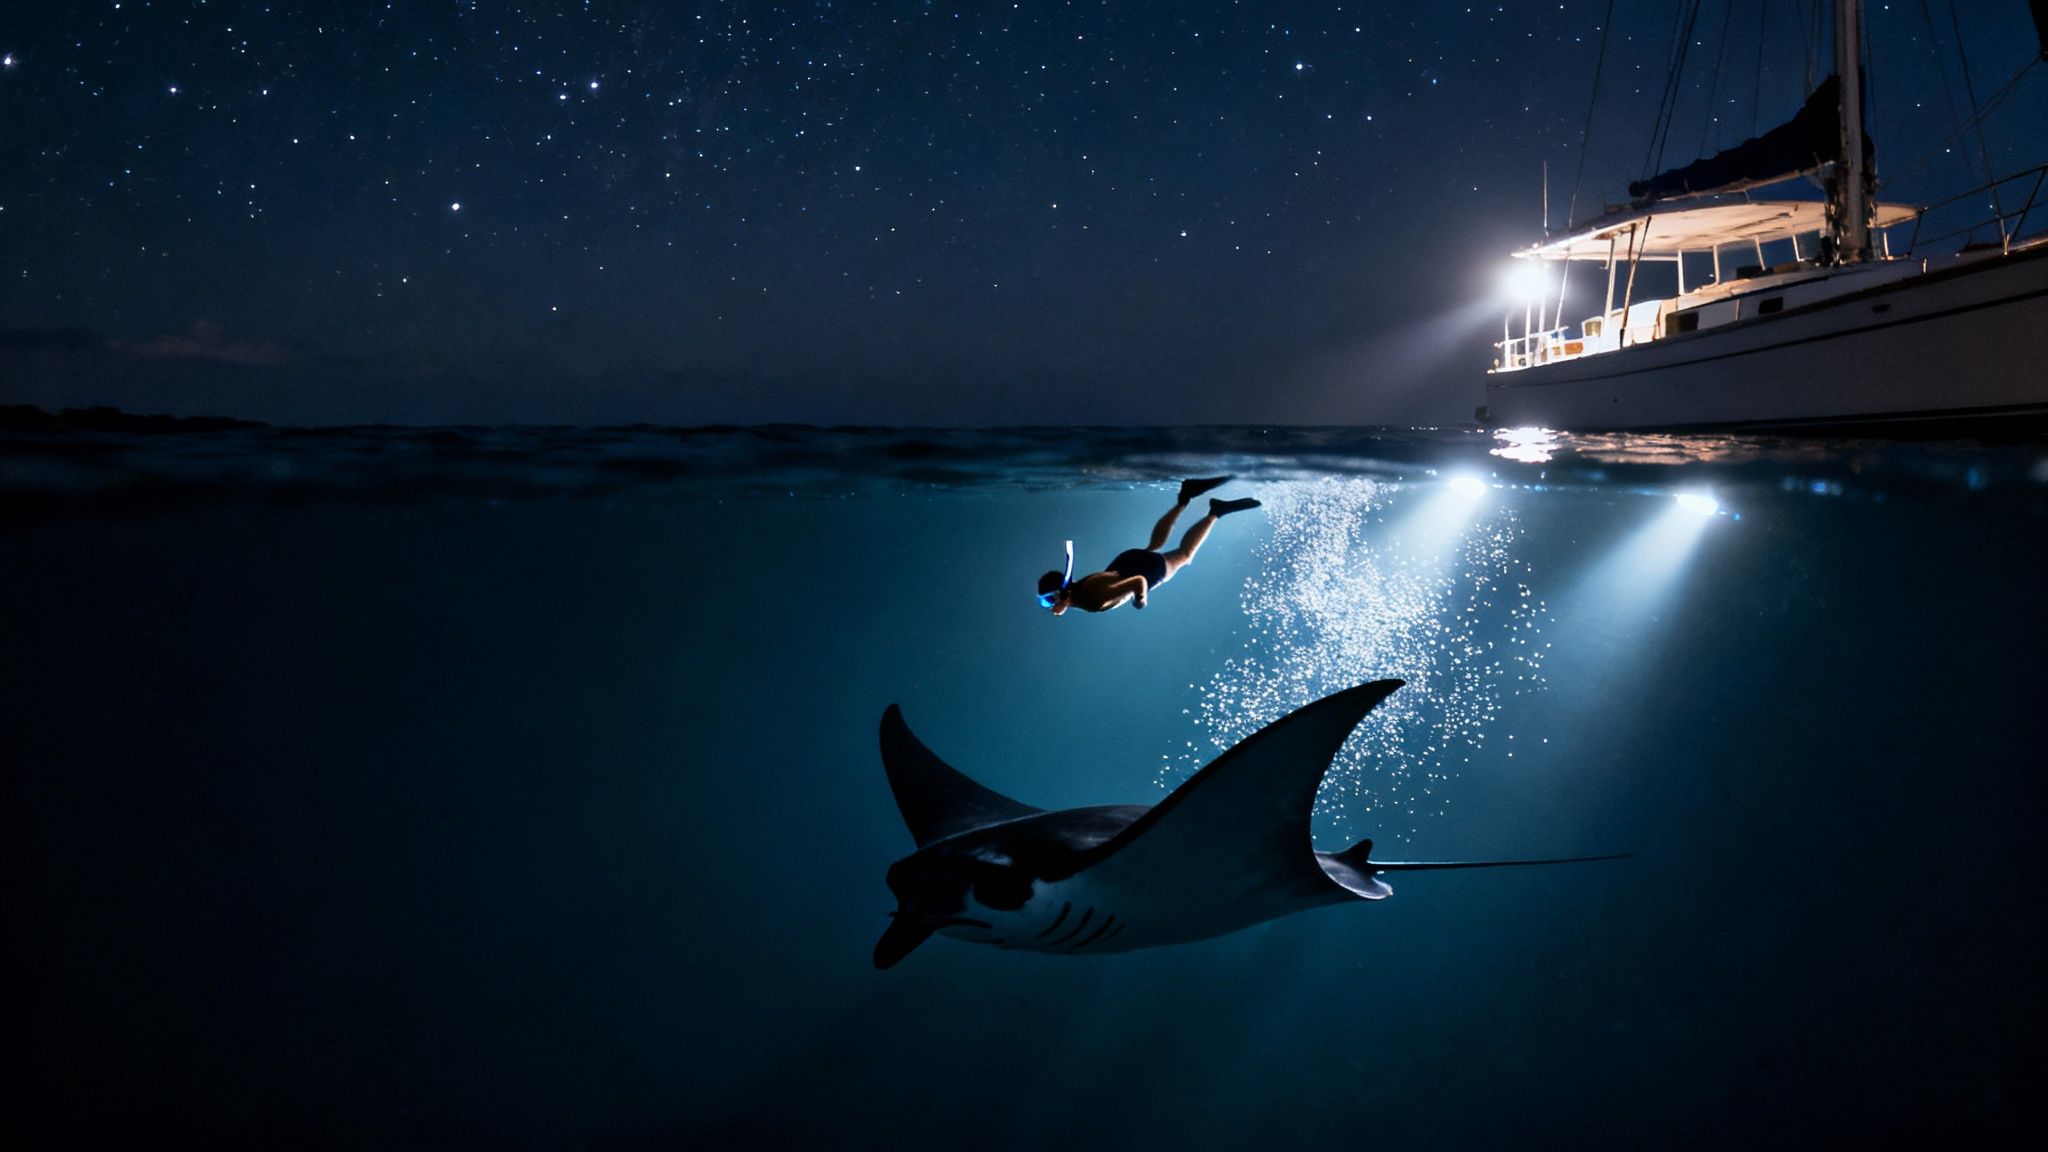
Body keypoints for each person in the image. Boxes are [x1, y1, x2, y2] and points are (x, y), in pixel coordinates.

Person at [1037, 477, 1261, 615]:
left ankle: (1215, 512)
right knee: (1155, 545)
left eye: (1049, 600)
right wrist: (1065, 600)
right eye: (1044, 603)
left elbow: (1139, 582)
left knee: (1184, 556)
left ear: (1060, 595)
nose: (1049, 607)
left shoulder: (1095, 595)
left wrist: (1140, 601)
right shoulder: (1080, 594)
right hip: (1126, 563)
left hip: (1138, 572)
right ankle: (1185, 498)